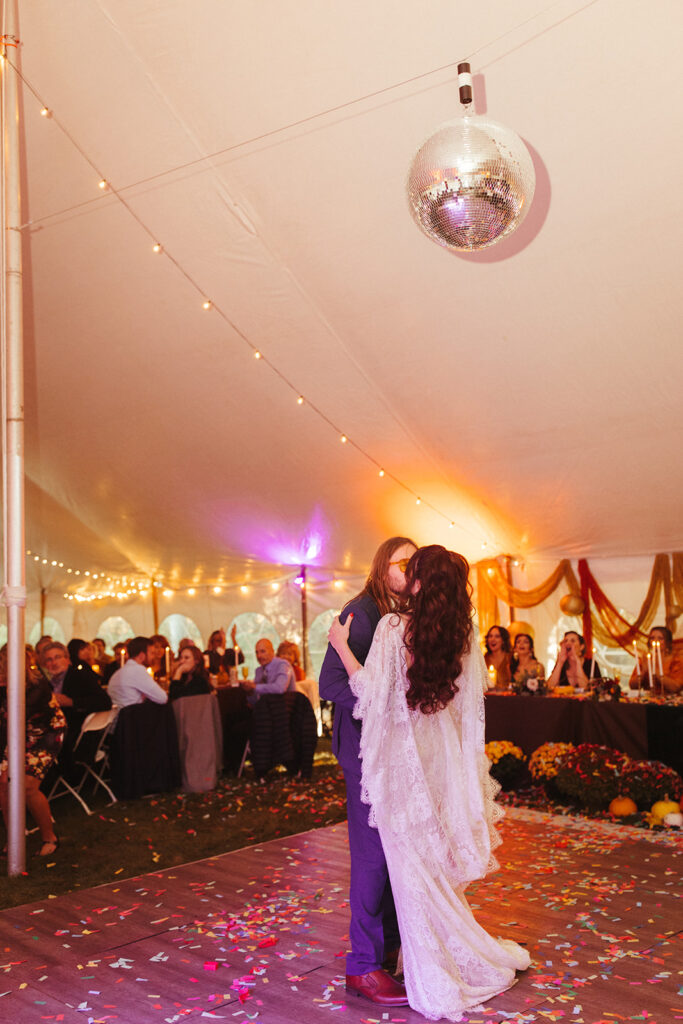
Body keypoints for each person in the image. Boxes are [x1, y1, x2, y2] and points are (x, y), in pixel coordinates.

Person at [328, 545, 530, 1019]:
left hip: (403, 759)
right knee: (429, 861)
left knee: (408, 864)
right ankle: (442, 947)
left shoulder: (394, 628)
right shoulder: (463, 633)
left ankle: (430, 962)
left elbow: (369, 694)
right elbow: (468, 707)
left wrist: (339, 645)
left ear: (418, 583)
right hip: (437, 755)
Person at [319, 535, 416, 1007]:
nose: (412, 569)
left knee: (399, 852)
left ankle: (394, 951)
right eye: (405, 562)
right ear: (383, 567)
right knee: (374, 855)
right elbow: (330, 683)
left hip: (396, 752)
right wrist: (381, 706)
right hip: (364, 752)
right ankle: (363, 966)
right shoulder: (361, 612)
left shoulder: (403, 614)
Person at [0, 646, 66, 857]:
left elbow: (17, 714)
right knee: (3, 784)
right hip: (13, 734)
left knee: (28, 786)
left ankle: (50, 838)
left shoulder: (38, 684)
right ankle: (15, 838)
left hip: (45, 734)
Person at [43, 641, 112, 757]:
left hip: (74, 738)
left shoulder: (80, 676)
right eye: (49, 660)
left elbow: (105, 702)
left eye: (57, 657)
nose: (54, 663)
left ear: (67, 659)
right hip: (53, 731)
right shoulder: (46, 683)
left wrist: (71, 702)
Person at [108, 637, 168, 707]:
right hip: (134, 715)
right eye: (152, 653)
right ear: (142, 655)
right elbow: (162, 698)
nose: (153, 657)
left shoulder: (119, 672)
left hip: (121, 715)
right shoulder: (137, 670)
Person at [239, 638, 296, 705]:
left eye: (263, 651)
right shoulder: (259, 671)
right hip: (266, 710)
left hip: (285, 709)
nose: (259, 656)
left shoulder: (283, 665)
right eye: (257, 652)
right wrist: (250, 692)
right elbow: (255, 702)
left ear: (272, 652)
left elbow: (280, 688)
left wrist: (255, 687)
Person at [629, 626, 683, 694]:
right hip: (648, 700)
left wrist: (654, 670)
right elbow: (632, 686)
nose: (655, 641)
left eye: (660, 638)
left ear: (667, 642)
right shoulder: (646, 660)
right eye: (652, 638)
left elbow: (675, 688)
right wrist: (643, 672)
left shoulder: (676, 661)